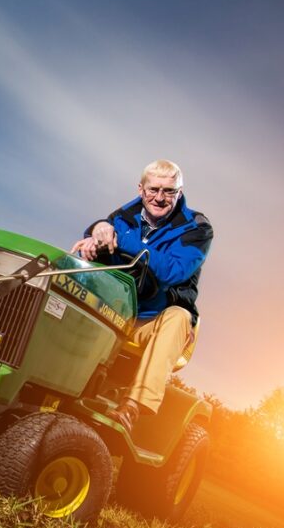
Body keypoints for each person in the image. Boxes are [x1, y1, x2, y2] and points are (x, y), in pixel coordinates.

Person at [71, 159, 213, 435]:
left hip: (152, 321)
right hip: (114, 309)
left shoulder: (197, 228)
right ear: (141, 189)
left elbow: (174, 271)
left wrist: (120, 239)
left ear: (179, 193)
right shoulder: (124, 216)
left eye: (169, 191)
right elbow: (102, 236)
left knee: (178, 316)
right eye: (153, 189)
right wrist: (93, 238)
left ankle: (132, 407)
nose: (159, 198)